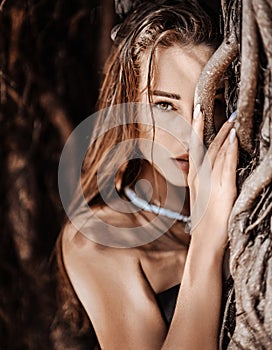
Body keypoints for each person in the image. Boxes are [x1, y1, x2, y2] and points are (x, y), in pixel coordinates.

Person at [57, 1, 238, 349]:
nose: (190, 133)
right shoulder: (97, 240)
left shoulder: (247, 202)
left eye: (211, 102)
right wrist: (205, 241)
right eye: (164, 105)